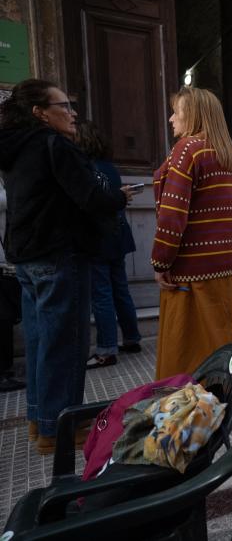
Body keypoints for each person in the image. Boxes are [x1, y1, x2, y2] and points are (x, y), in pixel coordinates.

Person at [0, 79, 131, 454]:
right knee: (66, 343)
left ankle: (40, 420)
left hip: (27, 255)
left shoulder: (17, 147)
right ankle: (61, 427)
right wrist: (117, 197)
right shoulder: (54, 144)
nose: (73, 113)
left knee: (42, 340)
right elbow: (90, 197)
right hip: (59, 253)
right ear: (41, 112)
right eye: (65, 106)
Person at [151, 86, 232, 379]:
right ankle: (223, 398)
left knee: (183, 344)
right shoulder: (231, 157)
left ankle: (185, 403)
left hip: (191, 266)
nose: (170, 118)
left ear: (192, 115)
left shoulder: (187, 150)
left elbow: (172, 215)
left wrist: (161, 261)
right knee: (221, 335)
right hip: (225, 264)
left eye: (176, 112)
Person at [74, 120, 142, 369]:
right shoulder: (109, 168)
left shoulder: (86, 170)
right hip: (117, 236)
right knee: (120, 288)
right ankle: (132, 338)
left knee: (102, 294)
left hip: (99, 238)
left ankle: (106, 350)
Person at [0, 177, 24, 392]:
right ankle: (3, 372)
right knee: (3, 317)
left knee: (6, 317)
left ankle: (5, 369)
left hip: (7, 260)